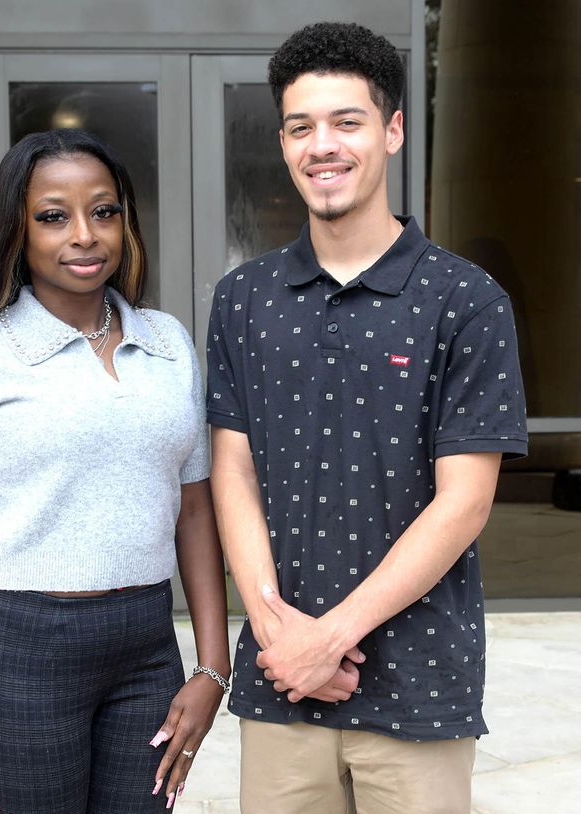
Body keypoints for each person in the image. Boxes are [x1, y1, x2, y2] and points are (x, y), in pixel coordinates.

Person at [206, 22, 528, 813]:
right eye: (300, 126)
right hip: (282, 685)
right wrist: (283, 637)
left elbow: (466, 501)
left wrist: (329, 636)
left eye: (346, 121)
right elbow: (233, 472)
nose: (323, 145)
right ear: (283, 143)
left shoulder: (466, 299)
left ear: (391, 131)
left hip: (420, 685)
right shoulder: (243, 300)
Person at [0, 129, 231, 814]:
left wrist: (213, 664)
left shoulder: (167, 342)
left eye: (104, 211)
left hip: (145, 649)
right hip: (18, 653)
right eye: (54, 215)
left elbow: (194, 511)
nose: (85, 235)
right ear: (16, 231)